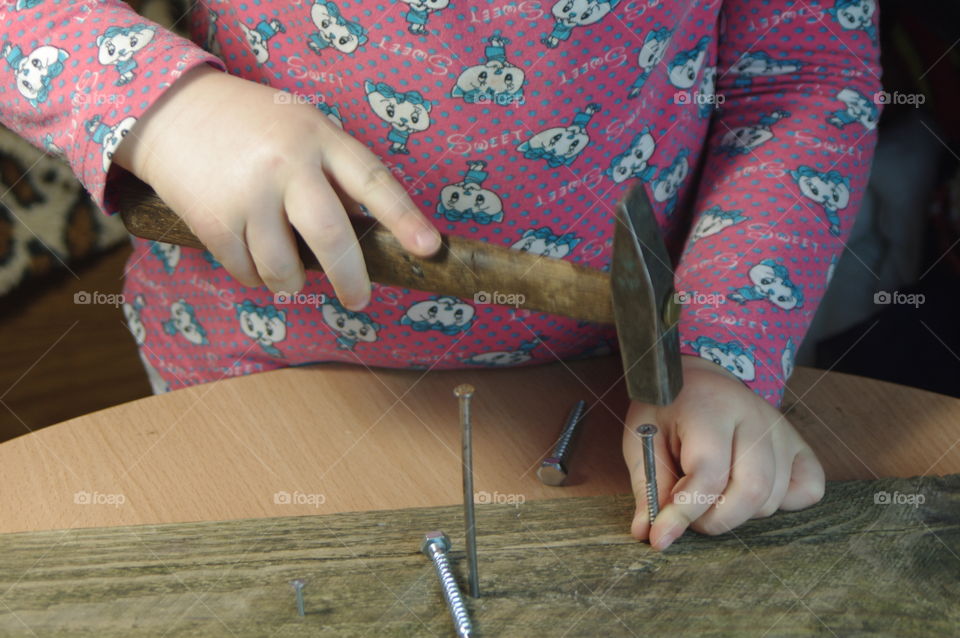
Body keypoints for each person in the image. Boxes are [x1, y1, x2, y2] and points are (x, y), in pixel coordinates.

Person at [1, 0, 882, 550]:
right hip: (248, 371)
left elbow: (805, 79)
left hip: (609, 402)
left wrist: (724, 349)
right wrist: (162, 109)